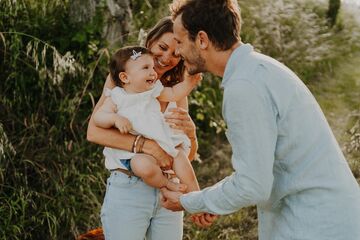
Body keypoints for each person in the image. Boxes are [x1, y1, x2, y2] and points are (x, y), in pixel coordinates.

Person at [161, 0, 360, 239]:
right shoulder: (259, 68)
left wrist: (190, 201)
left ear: (202, 39)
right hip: (325, 216)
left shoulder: (244, 87)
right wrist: (209, 202)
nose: (179, 52)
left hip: (315, 224)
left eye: (181, 42)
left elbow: (252, 184)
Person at [87, 17, 203, 240]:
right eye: (162, 47)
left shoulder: (172, 92)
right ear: (151, 40)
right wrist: (145, 145)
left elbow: (184, 154)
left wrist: (192, 135)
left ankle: (199, 201)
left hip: (169, 193)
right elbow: (94, 131)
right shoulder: (122, 84)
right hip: (130, 186)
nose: (167, 58)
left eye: (176, 53)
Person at [93, 45, 200, 193]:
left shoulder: (153, 90)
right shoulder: (118, 96)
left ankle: (195, 192)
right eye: (145, 68)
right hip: (137, 154)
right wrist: (114, 118)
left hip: (163, 143)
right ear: (125, 77)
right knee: (142, 166)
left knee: (181, 157)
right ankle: (166, 184)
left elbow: (174, 94)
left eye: (152, 67)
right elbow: (98, 117)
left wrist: (188, 83)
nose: (153, 72)